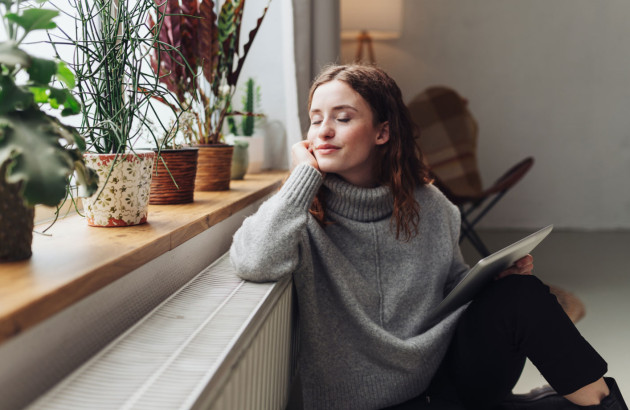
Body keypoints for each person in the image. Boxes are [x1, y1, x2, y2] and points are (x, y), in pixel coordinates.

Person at [229, 64, 627, 410]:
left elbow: (449, 284)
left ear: (382, 132)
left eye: (343, 118)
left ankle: (603, 404)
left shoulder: (430, 205)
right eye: (316, 119)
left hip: (442, 378)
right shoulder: (300, 211)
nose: (324, 132)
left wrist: (492, 283)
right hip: (365, 402)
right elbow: (253, 261)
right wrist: (303, 177)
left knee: (521, 295)